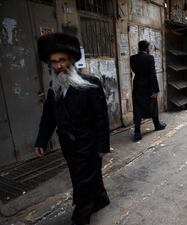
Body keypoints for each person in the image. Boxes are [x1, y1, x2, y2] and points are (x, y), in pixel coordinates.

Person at [35, 32, 110, 225]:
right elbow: (49, 117)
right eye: (54, 62)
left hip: (89, 142)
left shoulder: (90, 84)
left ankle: (81, 217)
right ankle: (101, 198)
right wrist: (41, 141)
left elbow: (101, 117)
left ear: (72, 60)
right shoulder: (54, 86)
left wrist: (103, 145)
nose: (58, 66)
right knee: (86, 175)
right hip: (68, 144)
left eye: (62, 60)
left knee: (83, 180)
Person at [130, 40, 166, 142]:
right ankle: (157, 125)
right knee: (153, 105)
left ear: (139, 47)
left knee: (137, 109)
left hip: (137, 86)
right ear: (147, 48)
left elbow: (134, 70)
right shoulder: (150, 58)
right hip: (148, 87)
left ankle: (137, 132)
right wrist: (156, 89)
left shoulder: (132, 58)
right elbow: (152, 75)